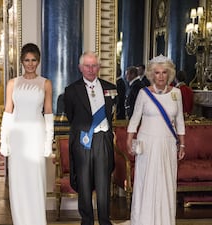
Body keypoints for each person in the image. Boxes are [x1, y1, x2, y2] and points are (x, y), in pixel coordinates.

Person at [127, 55, 185, 225]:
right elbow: (135, 119)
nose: (160, 76)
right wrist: (129, 140)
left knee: (165, 183)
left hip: (167, 144)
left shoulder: (177, 93)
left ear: (169, 74)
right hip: (148, 144)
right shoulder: (143, 93)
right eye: (157, 73)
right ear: (152, 75)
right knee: (146, 182)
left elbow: (180, 120)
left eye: (164, 73)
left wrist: (182, 144)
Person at [0, 43, 54, 225]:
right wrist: (3, 141)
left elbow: (48, 114)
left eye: (34, 60)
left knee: (36, 182)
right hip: (17, 138)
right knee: (18, 183)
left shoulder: (45, 83)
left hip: (37, 137)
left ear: (38, 61)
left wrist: (48, 143)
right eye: (26, 60)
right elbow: (8, 113)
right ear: (22, 61)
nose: (30, 64)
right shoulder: (12, 83)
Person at [64, 51, 116, 225]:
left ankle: (104, 220)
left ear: (99, 67)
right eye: (87, 65)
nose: (91, 69)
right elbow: (71, 116)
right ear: (80, 68)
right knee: (84, 184)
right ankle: (87, 220)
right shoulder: (71, 90)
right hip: (83, 141)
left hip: (103, 140)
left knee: (103, 184)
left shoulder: (111, 88)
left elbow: (112, 114)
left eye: (94, 65)